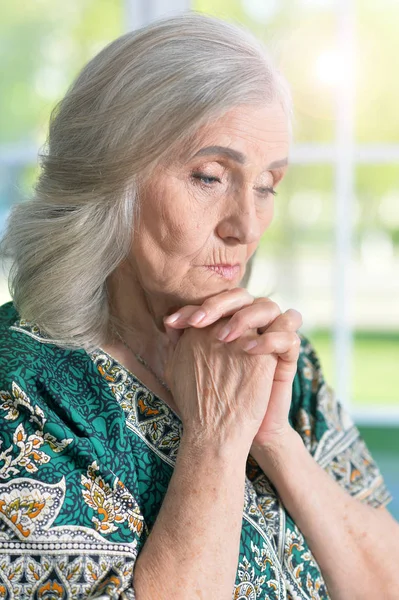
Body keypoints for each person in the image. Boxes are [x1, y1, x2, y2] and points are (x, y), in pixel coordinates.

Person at [0, 11, 397, 600]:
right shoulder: (23, 393)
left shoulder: (278, 358)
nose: (247, 225)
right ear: (112, 181)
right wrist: (215, 438)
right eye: (211, 177)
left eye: (267, 185)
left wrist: (276, 440)